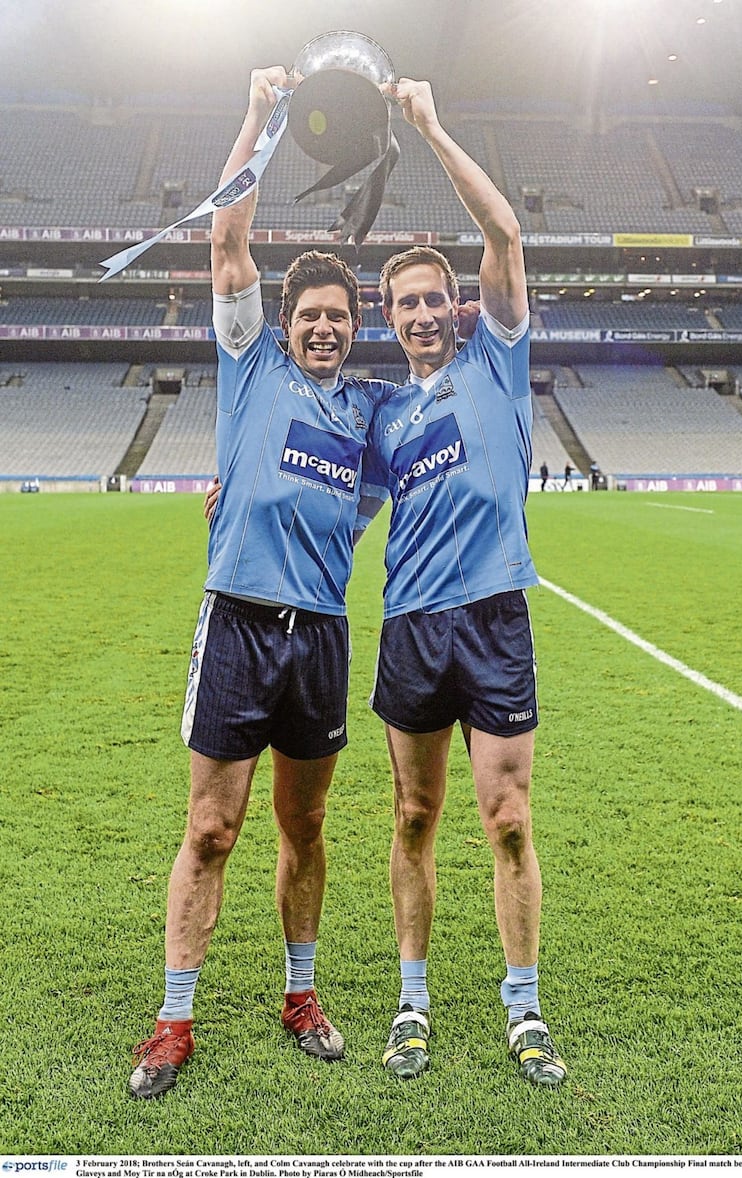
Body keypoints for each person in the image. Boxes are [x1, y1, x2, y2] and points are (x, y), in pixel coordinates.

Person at [128, 67, 396, 1100]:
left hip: (319, 633)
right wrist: (255, 111)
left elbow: (371, 494)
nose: (324, 327)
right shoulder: (251, 364)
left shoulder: (369, 414)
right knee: (211, 825)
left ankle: (300, 993)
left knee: (305, 827)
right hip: (237, 623)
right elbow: (226, 242)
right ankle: (174, 1015)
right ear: (282, 320)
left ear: (352, 324)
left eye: (338, 317)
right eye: (310, 315)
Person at [361, 78, 566, 1087]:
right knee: (411, 816)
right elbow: (331, 504)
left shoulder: (497, 358)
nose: (423, 311)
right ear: (389, 317)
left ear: (457, 302)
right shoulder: (382, 420)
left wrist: (432, 126)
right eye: (405, 301)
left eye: (435, 294)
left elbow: (508, 232)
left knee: (509, 816)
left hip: (493, 616)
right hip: (409, 625)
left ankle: (522, 1007)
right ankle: (411, 998)